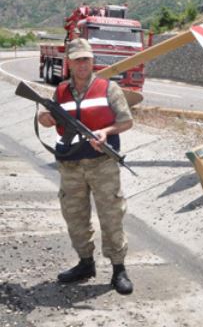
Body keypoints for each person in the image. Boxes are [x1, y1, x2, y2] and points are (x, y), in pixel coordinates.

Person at [38, 38, 134, 295]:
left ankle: (118, 269)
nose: (82, 64)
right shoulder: (59, 92)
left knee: (111, 215)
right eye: (78, 59)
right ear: (69, 62)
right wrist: (44, 118)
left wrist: (106, 132)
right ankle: (85, 263)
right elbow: (46, 119)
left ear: (92, 61)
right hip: (70, 165)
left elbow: (126, 121)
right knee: (74, 216)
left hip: (102, 163)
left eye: (86, 59)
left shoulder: (108, 88)